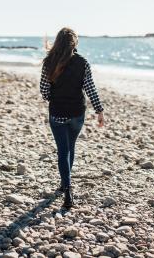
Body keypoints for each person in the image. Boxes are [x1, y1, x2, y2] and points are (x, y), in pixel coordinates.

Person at [39, 27, 105, 209]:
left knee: (62, 150)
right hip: (77, 113)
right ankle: (65, 184)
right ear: (74, 43)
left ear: (58, 41)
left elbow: (44, 91)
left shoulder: (48, 62)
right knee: (70, 147)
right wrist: (99, 110)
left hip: (58, 113)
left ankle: (66, 188)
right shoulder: (82, 62)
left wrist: (56, 97)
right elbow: (90, 88)